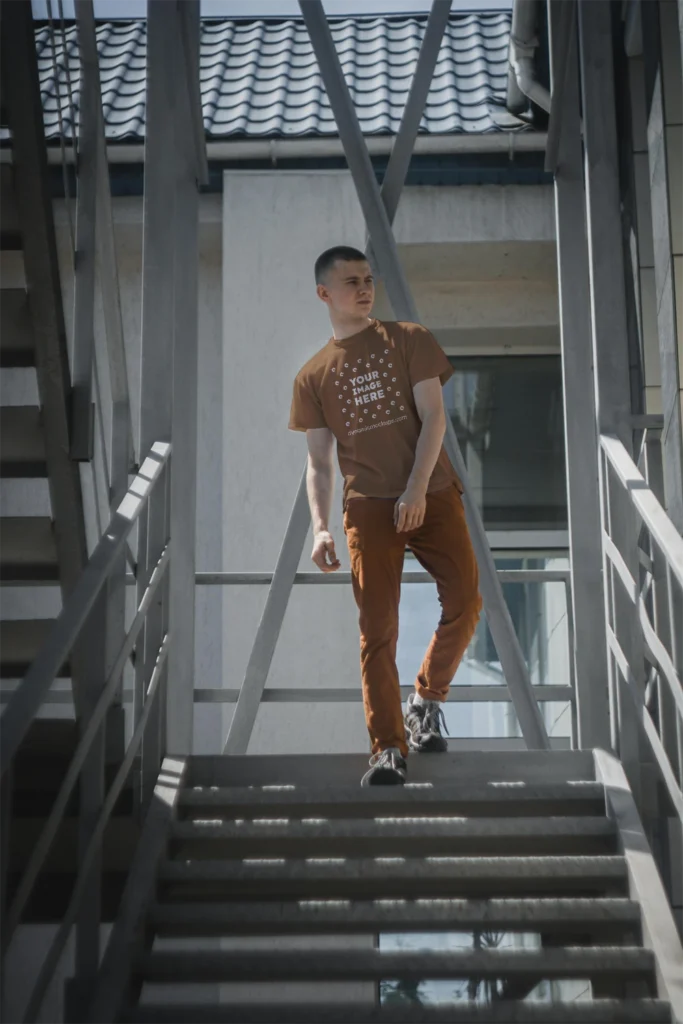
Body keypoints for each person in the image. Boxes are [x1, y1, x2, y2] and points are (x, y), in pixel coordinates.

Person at [288, 245, 482, 786]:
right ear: (325, 293)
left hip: (433, 491)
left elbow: (435, 417)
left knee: (466, 601)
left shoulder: (409, 339)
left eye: (368, 278)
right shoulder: (313, 377)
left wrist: (417, 489)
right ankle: (388, 749)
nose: (365, 287)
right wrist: (321, 526)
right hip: (368, 508)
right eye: (351, 281)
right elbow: (320, 463)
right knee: (378, 630)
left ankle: (426, 698)